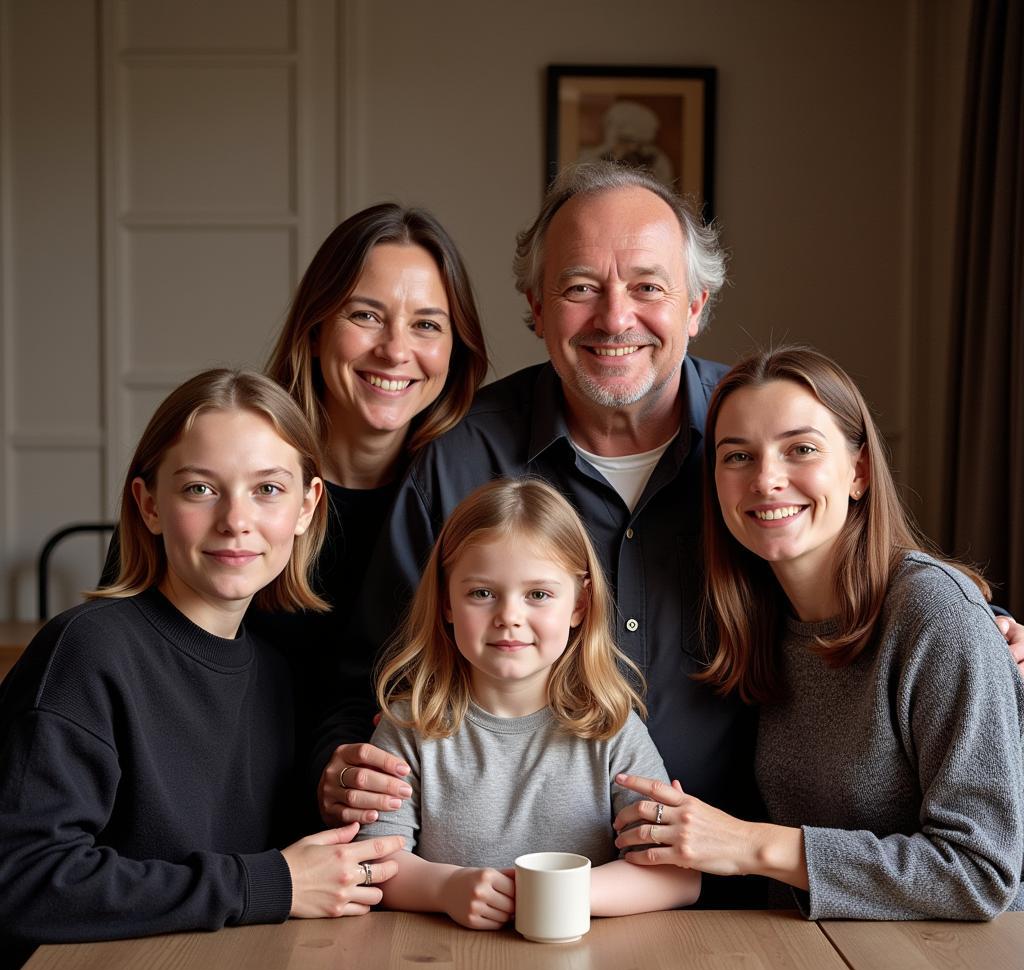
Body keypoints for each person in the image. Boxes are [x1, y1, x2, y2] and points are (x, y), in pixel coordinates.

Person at [314, 164, 1024, 906]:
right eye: (581, 286)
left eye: (648, 286)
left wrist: (974, 630)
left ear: (696, 305)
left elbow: (858, 580)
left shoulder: (753, 438)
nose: (615, 318)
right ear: (536, 306)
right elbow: (364, 679)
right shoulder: (460, 460)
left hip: (757, 893)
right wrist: (340, 767)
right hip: (494, 898)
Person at [0, 370, 404, 970]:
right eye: (199, 489)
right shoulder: (88, 651)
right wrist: (267, 884)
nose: (235, 520)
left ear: (306, 507)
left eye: (268, 489)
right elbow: (22, 878)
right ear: (149, 504)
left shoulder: (273, 675)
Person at [612, 346, 1024, 920]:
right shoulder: (761, 620)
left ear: (858, 472)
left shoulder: (933, 612)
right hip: (822, 951)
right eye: (737, 457)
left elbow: (981, 872)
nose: (766, 479)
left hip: (964, 968)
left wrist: (747, 845)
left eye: (800, 449)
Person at [359, 478, 699, 928]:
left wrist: (562, 893)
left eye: (538, 594)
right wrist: (445, 889)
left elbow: (678, 876)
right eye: (481, 593)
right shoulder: (409, 726)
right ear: (445, 601)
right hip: (443, 967)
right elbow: (373, 864)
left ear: (580, 603)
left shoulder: (611, 728)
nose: (509, 617)